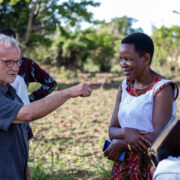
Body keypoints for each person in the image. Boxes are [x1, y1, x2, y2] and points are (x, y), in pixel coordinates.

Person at [0, 34, 100, 180]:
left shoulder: (11, 91)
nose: (15, 68)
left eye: (17, 62)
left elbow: (18, 142)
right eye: (8, 62)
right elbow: (27, 114)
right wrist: (69, 92)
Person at [104, 32, 178, 180]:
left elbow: (159, 139)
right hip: (124, 164)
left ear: (145, 58)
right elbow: (112, 130)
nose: (122, 64)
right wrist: (125, 132)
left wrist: (122, 144)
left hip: (150, 165)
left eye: (128, 59)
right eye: (121, 59)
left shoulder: (162, 89)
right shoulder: (124, 86)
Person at [0, 28, 57, 103]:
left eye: (17, 62)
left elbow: (51, 83)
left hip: (21, 111)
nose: (14, 68)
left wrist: (29, 99)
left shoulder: (27, 64)